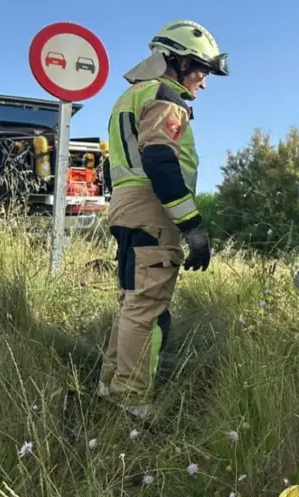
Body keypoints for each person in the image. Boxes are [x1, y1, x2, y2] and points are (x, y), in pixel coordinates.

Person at [97, 20, 228, 420]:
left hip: (126, 207)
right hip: (152, 208)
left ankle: (110, 385)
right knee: (147, 308)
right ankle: (131, 401)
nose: (203, 83)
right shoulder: (166, 96)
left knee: (131, 304)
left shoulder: (129, 97)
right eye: (202, 72)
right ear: (182, 61)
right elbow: (158, 159)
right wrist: (192, 226)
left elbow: (112, 168)